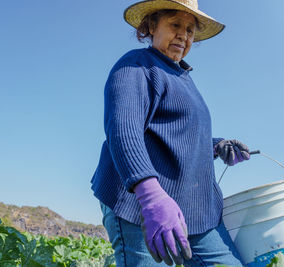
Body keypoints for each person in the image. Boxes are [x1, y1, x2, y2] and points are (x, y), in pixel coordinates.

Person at [90, 0, 251, 266]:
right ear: (152, 25)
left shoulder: (184, 79)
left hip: (195, 210)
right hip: (139, 207)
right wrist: (149, 195)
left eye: (190, 30)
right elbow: (123, 130)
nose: (183, 35)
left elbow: (176, 137)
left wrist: (216, 145)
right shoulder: (136, 66)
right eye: (175, 24)